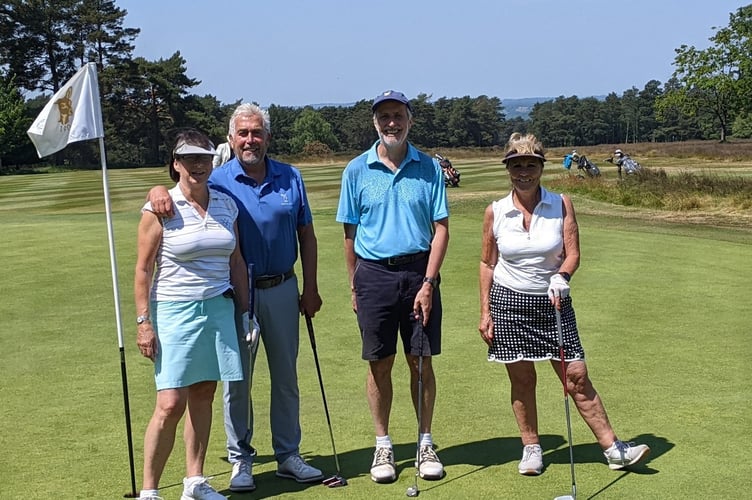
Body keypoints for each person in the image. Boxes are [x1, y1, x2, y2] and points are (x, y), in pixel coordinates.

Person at [146, 103, 324, 492]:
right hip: (232, 296)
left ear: (267, 137)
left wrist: (310, 287)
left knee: (286, 376)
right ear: (230, 139)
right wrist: (157, 188)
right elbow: (177, 189)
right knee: (236, 380)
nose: (250, 140)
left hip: (281, 287)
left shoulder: (290, 177)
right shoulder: (218, 178)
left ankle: (288, 455)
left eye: (256, 133)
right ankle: (240, 459)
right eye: (242, 133)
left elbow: (306, 234)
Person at [478, 132, 650, 476]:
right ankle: (531, 449)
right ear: (508, 169)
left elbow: (572, 253)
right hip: (509, 303)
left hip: (554, 302)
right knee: (522, 379)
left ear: (541, 167)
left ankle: (613, 449)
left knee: (576, 376)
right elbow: (487, 264)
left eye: (530, 164)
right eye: (516, 165)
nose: (523, 171)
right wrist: (486, 311)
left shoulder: (561, 203)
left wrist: (563, 275)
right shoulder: (495, 211)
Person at [336, 90, 450, 483]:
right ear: (375, 122)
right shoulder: (356, 170)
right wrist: (354, 287)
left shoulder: (430, 168)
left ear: (409, 120)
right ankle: (383, 445)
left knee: (420, 361)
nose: (391, 123)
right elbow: (349, 235)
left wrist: (429, 282)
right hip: (373, 275)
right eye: (384, 116)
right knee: (379, 362)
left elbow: (440, 230)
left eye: (398, 115)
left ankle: (424, 442)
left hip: (419, 271)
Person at [134, 129, 249, 500]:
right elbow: (142, 270)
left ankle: (194, 482)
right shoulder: (160, 206)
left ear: (212, 162)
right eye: (189, 158)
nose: (197, 165)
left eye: (203, 158)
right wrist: (143, 322)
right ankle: (150, 490)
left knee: (204, 393)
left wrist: (245, 314)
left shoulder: (226, 205)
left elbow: (236, 262)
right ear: (176, 164)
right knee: (169, 403)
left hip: (219, 308)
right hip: (173, 310)